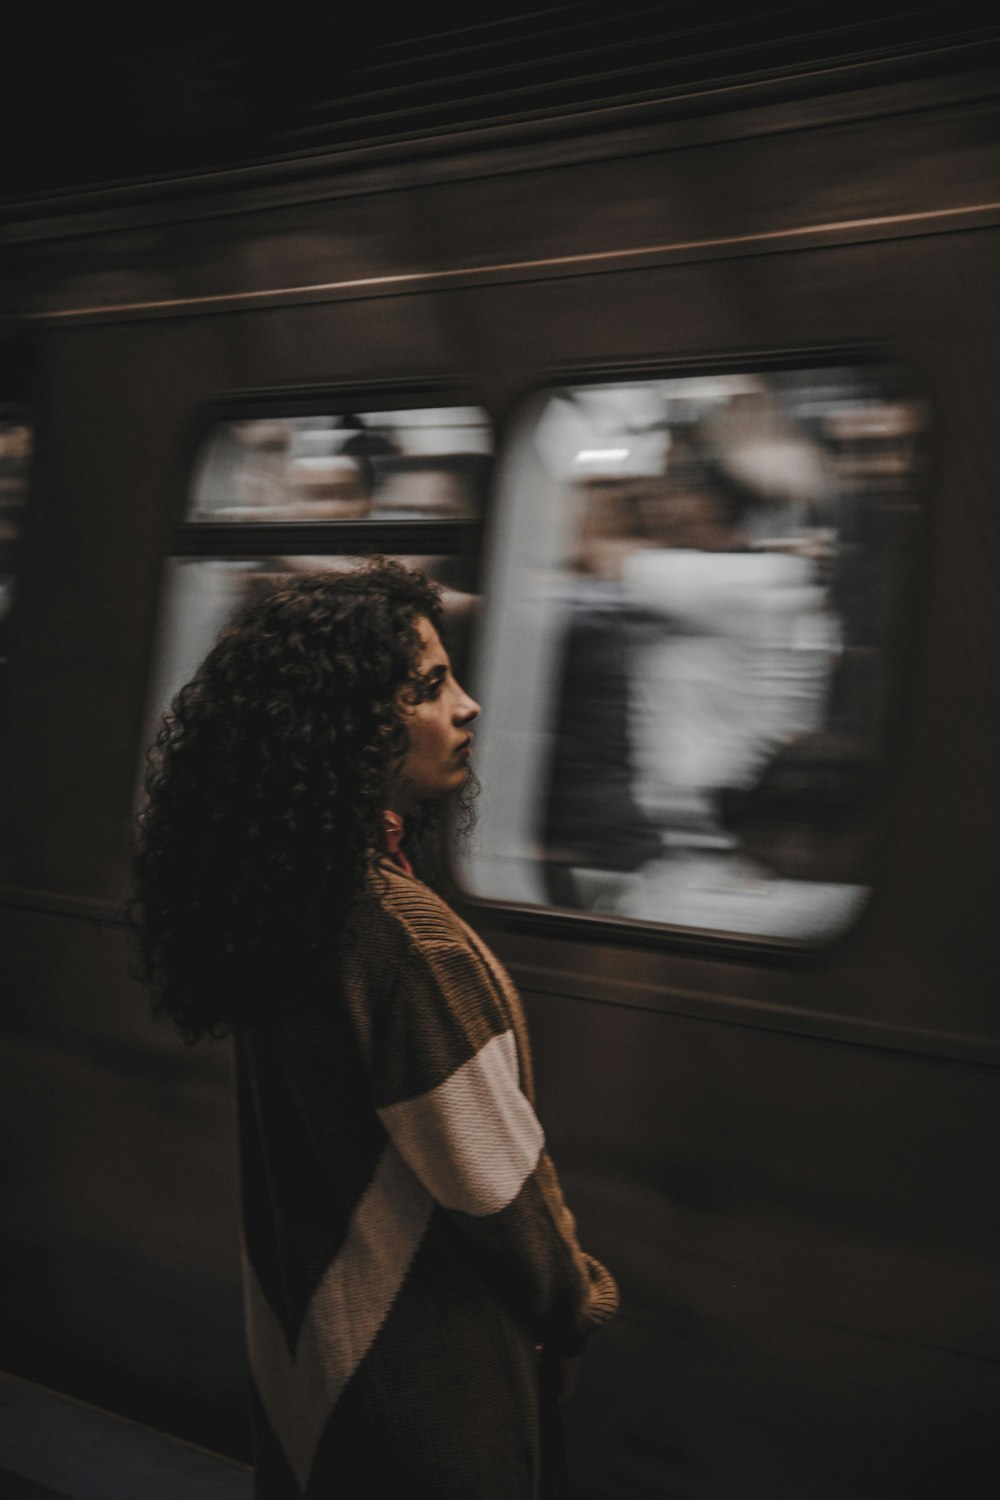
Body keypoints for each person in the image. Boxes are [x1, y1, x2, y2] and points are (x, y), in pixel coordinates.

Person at [131, 559, 618, 1499]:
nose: (468, 707)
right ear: (347, 725)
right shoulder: (400, 941)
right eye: (428, 689)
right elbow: (499, 1188)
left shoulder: (289, 907)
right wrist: (578, 1304)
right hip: (424, 1387)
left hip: (308, 1363)